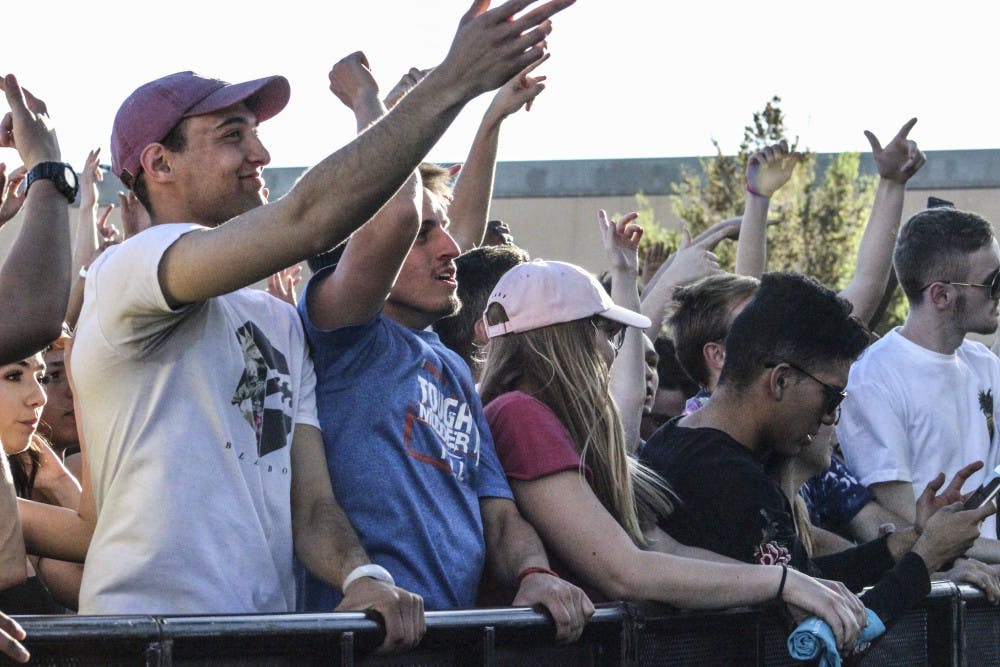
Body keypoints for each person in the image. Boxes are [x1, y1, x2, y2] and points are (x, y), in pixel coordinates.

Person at [29, 1, 574, 651]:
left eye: (255, 133)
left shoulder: (275, 323)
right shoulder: (126, 274)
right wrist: (452, 82)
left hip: (270, 637)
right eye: (232, 135)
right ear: (159, 164)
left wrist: (362, 575)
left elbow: (308, 503)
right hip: (147, 642)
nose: (260, 151)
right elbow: (307, 220)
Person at [298, 50, 592, 642]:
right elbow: (391, 216)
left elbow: (501, 515)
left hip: (454, 643)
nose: (453, 248)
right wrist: (370, 104)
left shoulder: (451, 366)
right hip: (363, 642)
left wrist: (533, 573)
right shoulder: (341, 334)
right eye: (422, 234)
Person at [477, 257, 869, 650]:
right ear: (568, 338)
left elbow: (663, 547)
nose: (612, 352)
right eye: (610, 332)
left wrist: (797, 585)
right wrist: (782, 582)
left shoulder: (549, 422)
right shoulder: (519, 413)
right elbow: (625, 570)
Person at [643, 272, 991, 629]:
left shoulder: (680, 441)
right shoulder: (727, 478)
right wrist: (925, 558)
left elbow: (805, 580)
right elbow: (833, 635)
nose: (832, 417)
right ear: (780, 380)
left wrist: (908, 542)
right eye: (832, 396)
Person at [838, 207, 1000, 560]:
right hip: (924, 602)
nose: (999, 293)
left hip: (986, 590)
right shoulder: (873, 379)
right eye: (993, 282)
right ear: (941, 296)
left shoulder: (985, 364)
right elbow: (903, 523)